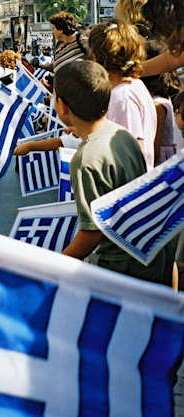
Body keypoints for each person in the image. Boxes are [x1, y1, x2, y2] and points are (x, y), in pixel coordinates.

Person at [54, 60, 175, 287]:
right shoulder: (121, 134)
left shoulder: (85, 159)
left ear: (62, 106)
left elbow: (93, 232)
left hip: (120, 269)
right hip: (150, 254)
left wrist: (59, 262)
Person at [89, 20, 157, 172]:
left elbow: (132, 150)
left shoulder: (122, 97)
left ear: (96, 56)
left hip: (126, 189)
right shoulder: (134, 86)